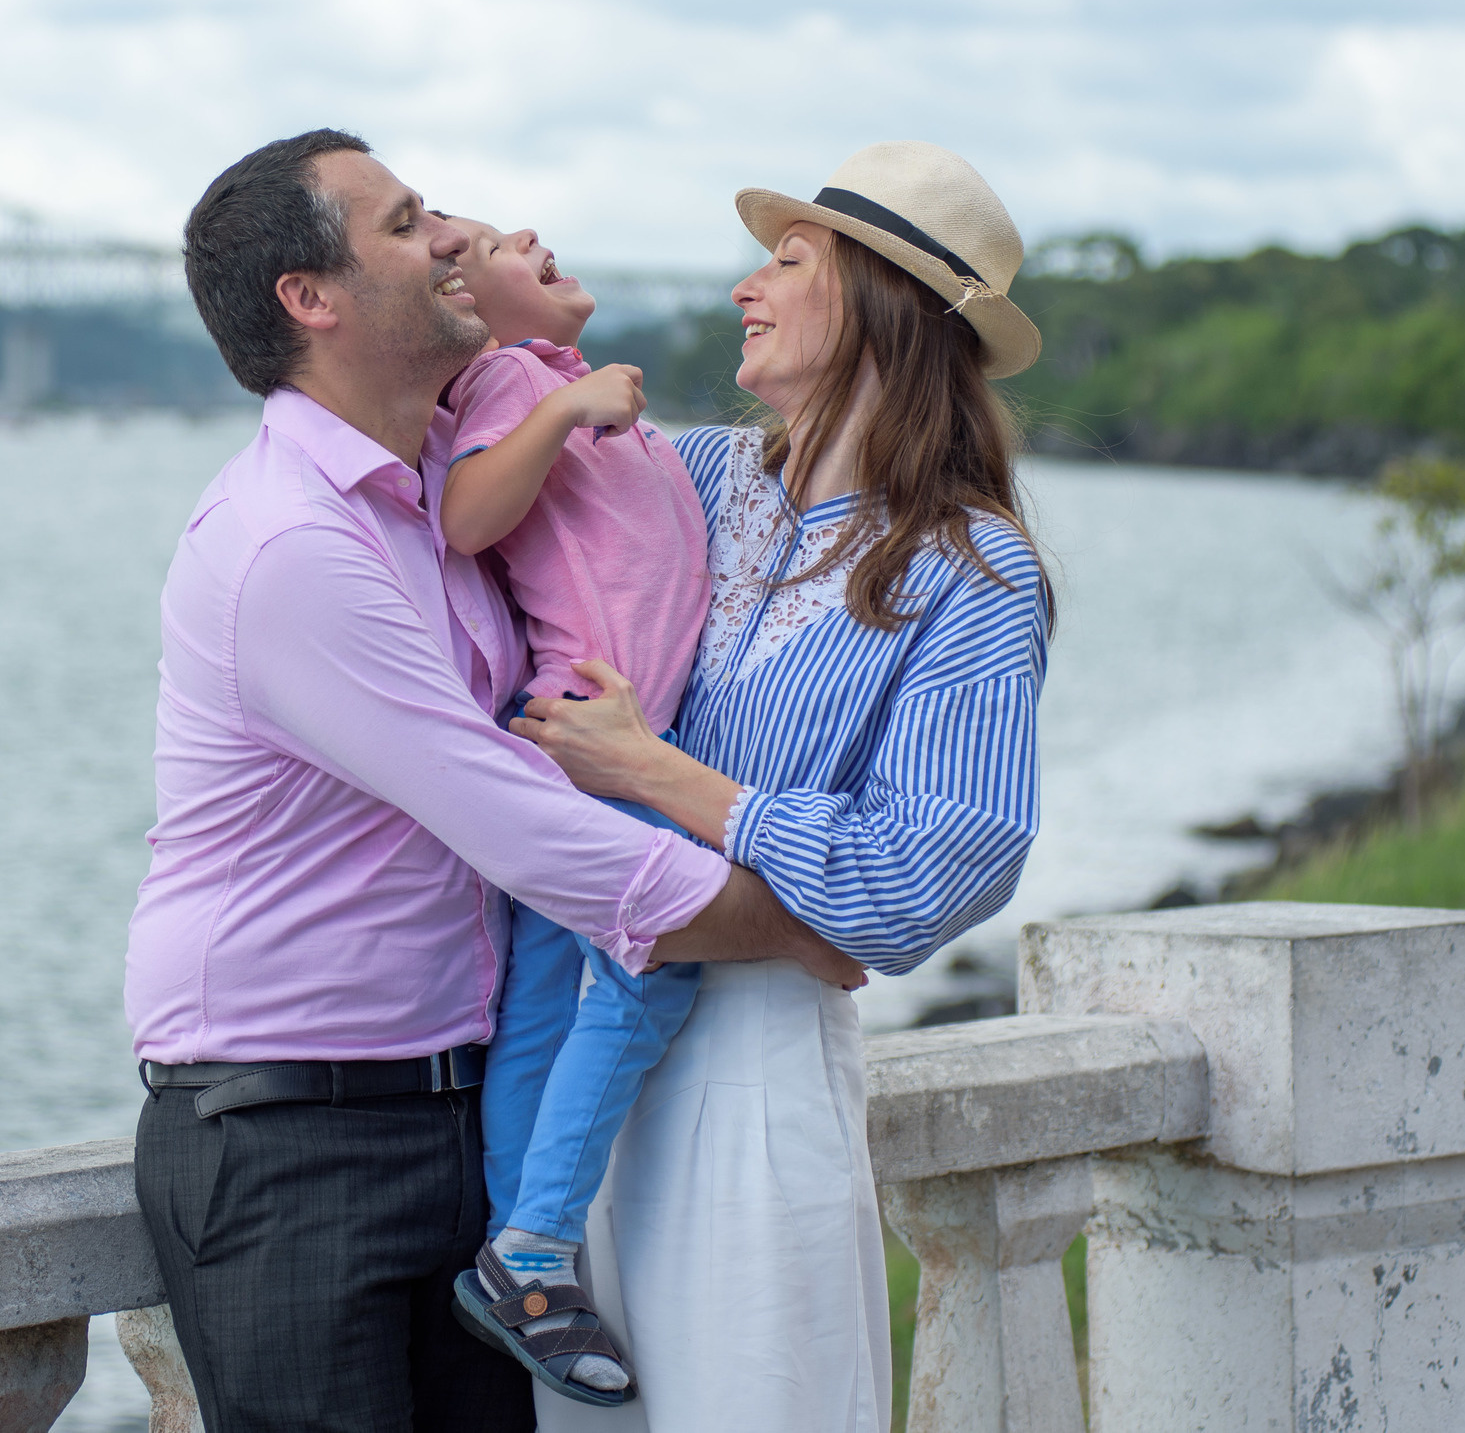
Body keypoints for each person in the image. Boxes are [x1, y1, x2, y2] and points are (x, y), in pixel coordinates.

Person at [125, 129, 866, 1433]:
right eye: (407, 224)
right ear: (311, 297)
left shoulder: (452, 494)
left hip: (447, 1112)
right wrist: (788, 919)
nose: (449, 240)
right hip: (289, 1136)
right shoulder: (290, 543)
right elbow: (509, 814)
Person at [510, 142, 1053, 1432]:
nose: (743, 288)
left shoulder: (970, 572)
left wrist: (657, 774)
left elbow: (922, 872)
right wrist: (786, 912)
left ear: (880, 301)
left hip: (747, 1076)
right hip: (567, 1069)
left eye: (787, 260)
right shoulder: (693, 477)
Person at [428, 217, 737, 1407]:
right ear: (467, 306)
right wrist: (562, 405)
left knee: (544, 1009)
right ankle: (537, 1244)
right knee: (655, 966)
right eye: (487, 243)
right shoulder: (511, 379)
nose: (526, 232)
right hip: (590, 741)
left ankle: (520, 1251)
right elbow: (466, 515)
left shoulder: (565, 384)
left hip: (594, 744)